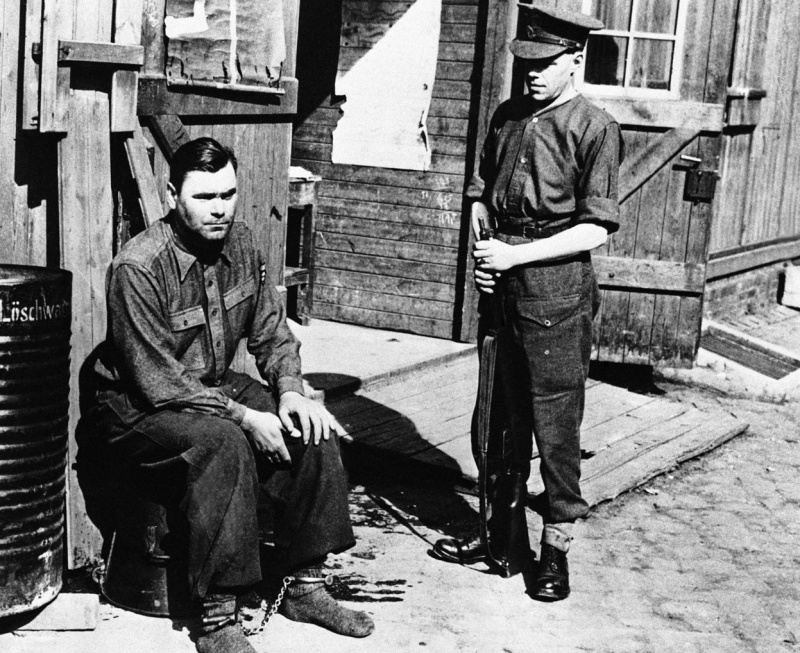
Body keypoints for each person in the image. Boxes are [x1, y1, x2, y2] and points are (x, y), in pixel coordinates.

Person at [89, 137, 374, 652]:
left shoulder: (241, 243)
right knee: (223, 444)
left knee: (312, 425)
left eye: (228, 194)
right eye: (204, 197)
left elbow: (271, 332)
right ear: (172, 195)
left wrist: (290, 391)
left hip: (210, 389)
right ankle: (218, 617)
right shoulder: (138, 268)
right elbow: (159, 383)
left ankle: (305, 586)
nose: (219, 208)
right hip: (136, 409)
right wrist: (245, 417)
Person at [433, 4, 623, 601]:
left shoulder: (595, 127)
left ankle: (554, 551)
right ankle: (500, 535)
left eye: (546, 63)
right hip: (501, 285)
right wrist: (482, 231)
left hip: (556, 292)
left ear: (575, 60)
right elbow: (480, 189)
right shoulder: (507, 115)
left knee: (554, 425)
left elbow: (595, 230)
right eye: (527, 63)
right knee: (495, 418)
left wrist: (515, 257)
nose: (533, 74)